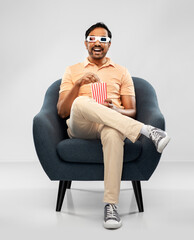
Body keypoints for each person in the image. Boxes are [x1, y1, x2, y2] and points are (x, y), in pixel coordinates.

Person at [57, 22, 170, 229]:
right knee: (81, 102)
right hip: (81, 125)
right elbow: (63, 111)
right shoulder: (72, 71)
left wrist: (116, 111)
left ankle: (111, 206)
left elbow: (131, 110)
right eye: (92, 39)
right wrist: (78, 84)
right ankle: (146, 131)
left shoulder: (121, 72)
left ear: (109, 45)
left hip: (109, 122)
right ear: (85, 43)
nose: (97, 43)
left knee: (113, 131)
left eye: (103, 39)